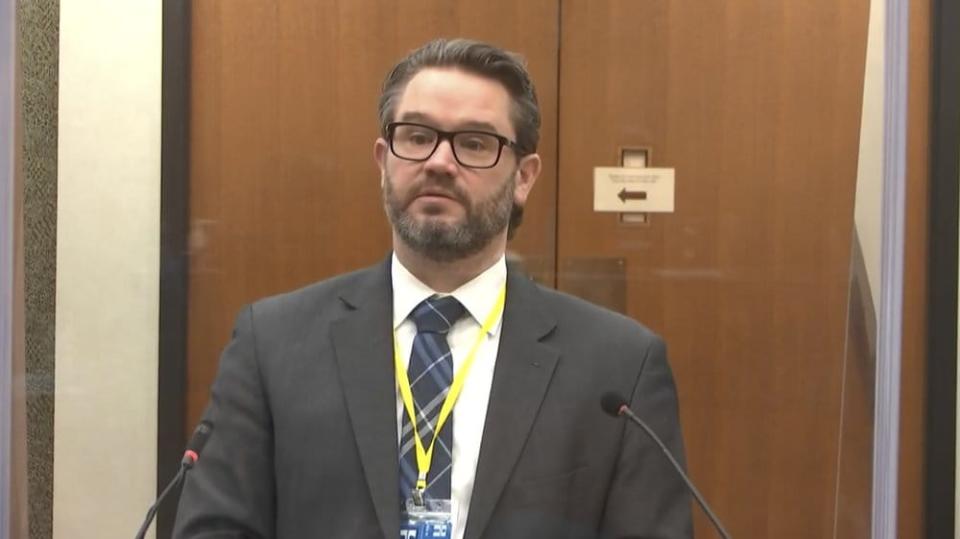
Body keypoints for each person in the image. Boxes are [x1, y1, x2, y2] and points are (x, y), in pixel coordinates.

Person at [173, 38, 692, 539]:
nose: (439, 162)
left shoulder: (619, 366)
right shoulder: (273, 343)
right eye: (417, 136)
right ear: (383, 160)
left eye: (474, 143)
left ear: (524, 177)